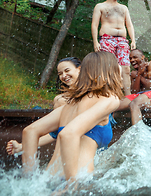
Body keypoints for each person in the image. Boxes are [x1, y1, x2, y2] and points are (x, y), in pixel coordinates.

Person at [21, 51, 123, 182]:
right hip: (77, 179)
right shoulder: (109, 100)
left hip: (47, 179)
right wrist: (71, 185)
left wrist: (29, 178)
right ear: (109, 71)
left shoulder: (69, 104)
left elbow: (29, 131)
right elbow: (68, 134)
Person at [6, 57, 82, 156]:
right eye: (60, 74)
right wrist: (22, 146)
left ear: (79, 69)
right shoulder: (61, 100)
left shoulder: (92, 91)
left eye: (67, 70)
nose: (64, 75)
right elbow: (55, 133)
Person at [92, 0, 136, 96]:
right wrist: (95, 41)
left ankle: (127, 97)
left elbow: (129, 25)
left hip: (122, 41)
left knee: (126, 69)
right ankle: (107, 95)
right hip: (107, 39)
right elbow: (94, 25)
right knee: (108, 68)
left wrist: (133, 40)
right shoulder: (100, 6)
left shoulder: (123, 8)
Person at [115, 49, 151, 125]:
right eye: (130, 58)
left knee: (134, 104)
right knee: (114, 105)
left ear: (142, 57)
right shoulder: (134, 73)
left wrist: (139, 75)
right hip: (140, 96)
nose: (132, 60)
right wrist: (138, 75)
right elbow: (134, 92)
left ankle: (137, 134)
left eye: (135, 57)